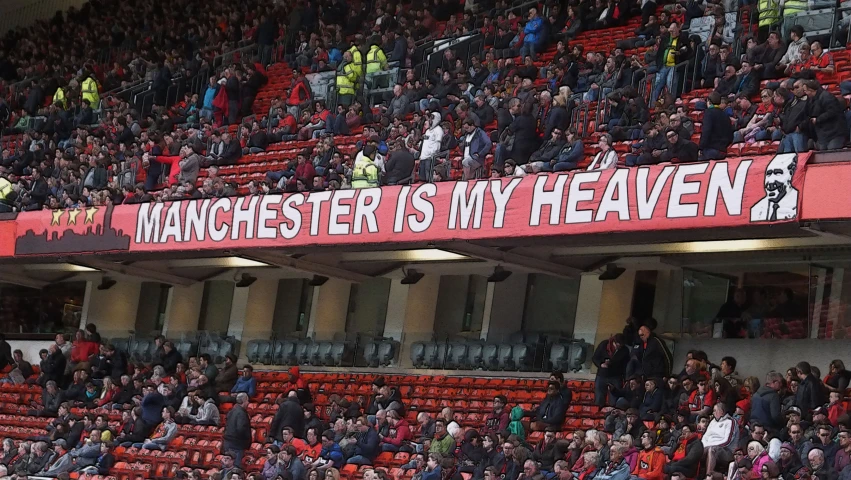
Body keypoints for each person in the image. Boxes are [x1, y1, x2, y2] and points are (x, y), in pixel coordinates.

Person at [592, 334, 629, 407]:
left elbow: (625, 366)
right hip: (602, 375)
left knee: (614, 399)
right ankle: (598, 413)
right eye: (618, 345)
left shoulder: (625, 350)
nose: (619, 347)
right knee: (599, 397)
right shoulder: (604, 345)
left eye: (621, 346)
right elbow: (595, 358)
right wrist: (601, 364)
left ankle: (612, 412)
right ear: (614, 342)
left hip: (616, 376)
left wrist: (626, 379)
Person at [699, 92, 734, 161]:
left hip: (711, 150)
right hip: (723, 150)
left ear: (709, 101)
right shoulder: (725, 114)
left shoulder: (709, 113)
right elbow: (730, 134)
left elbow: (706, 131)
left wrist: (701, 147)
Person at [224, 392, 252, 466]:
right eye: (247, 400)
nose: (248, 403)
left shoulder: (231, 411)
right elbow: (241, 429)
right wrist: (247, 441)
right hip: (237, 444)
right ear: (244, 400)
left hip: (228, 442)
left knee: (227, 465)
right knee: (235, 467)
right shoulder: (241, 413)